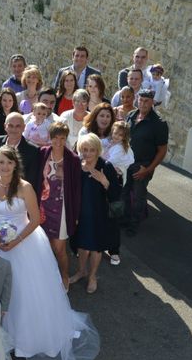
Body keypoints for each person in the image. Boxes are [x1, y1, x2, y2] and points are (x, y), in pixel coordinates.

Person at [0, 146, 100, 360]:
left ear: (15, 164)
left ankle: (24, 340)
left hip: (25, 241)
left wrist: (16, 241)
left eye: (8, 162)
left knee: (26, 290)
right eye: (0, 162)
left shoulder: (25, 188)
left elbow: (35, 219)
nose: (4, 166)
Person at [69, 133, 120, 293]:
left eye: (92, 150)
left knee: (96, 248)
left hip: (99, 215)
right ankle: (81, 271)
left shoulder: (106, 167)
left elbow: (116, 195)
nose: (88, 153)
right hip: (80, 215)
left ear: (98, 150)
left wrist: (104, 181)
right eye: (84, 149)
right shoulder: (77, 166)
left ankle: (92, 276)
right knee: (82, 246)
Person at [36, 123, 81, 291]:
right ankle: (46, 278)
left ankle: (64, 275)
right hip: (42, 206)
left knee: (60, 248)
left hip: (62, 209)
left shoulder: (73, 160)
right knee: (43, 246)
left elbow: (76, 190)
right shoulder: (42, 153)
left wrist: (75, 214)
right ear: (50, 137)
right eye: (55, 137)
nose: (59, 141)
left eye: (62, 138)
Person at [123, 89, 168, 236]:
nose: (143, 103)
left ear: (152, 102)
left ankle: (134, 225)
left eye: (147, 101)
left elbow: (162, 150)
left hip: (143, 165)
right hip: (126, 163)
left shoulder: (159, 123)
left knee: (138, 196)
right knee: (124, 193)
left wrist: (148, 169)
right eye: (141, 100)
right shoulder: (131, 115)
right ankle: (124, 219)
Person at [101, 121, 135, 266]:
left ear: (125, 137)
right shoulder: (110, 143)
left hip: (115, 186)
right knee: (101, 214)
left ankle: (114, 251)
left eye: (120, 135)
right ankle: (100, 244)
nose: (116, 136)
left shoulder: (121, 148)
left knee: (113, 216)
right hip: (103, 183)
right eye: (115, 133)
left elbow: (109, 162)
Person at [0, 112, 40, 191]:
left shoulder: (33, 150)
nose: (14, 129)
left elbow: (32, 180)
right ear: (5, 126)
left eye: (18, 126)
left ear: (24, 127)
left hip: (20, 194)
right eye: (10, 126)